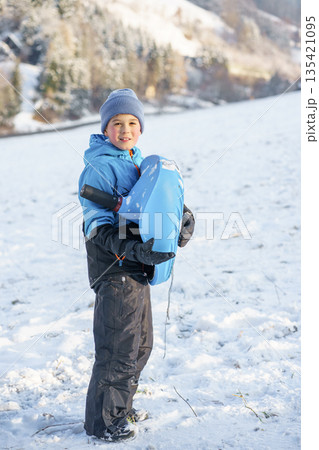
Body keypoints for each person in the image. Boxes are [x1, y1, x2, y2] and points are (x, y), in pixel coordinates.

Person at [78, 88, 194, 442]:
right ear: (105, 128)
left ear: (140, 128)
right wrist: (128, 247)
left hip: (136, 267)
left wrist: (183, 220)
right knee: (118, 349)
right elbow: (95, 222)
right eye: (117, 123)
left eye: (132, 122)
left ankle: (121, 407)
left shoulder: (137, 160)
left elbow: (151, 205)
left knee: (141, 344)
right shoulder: (98, 166)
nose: (125, 129)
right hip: (113, 268)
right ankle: (103, 423)